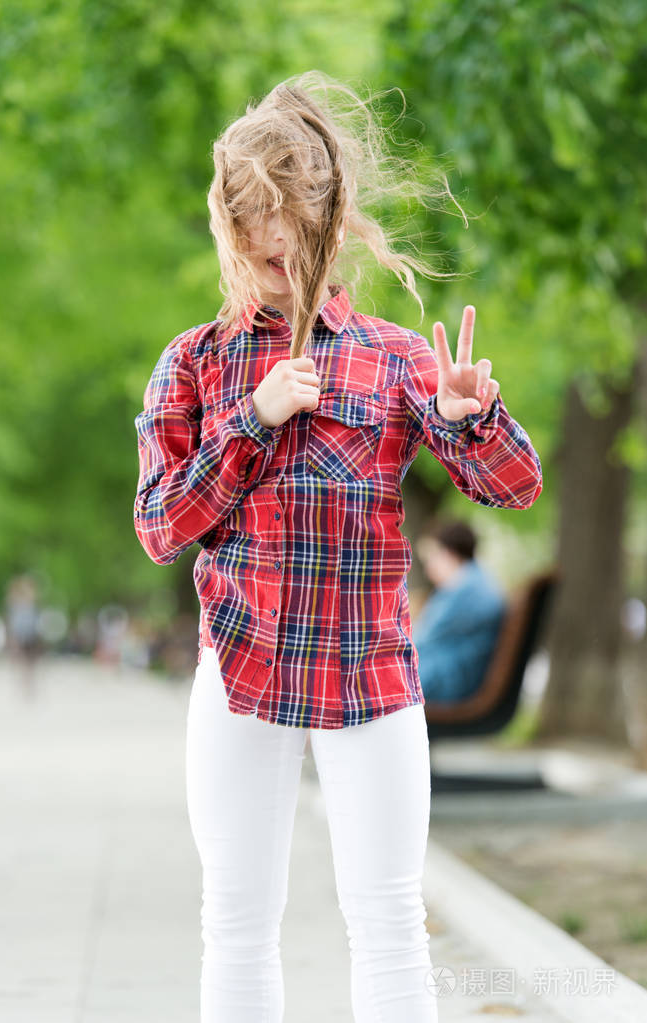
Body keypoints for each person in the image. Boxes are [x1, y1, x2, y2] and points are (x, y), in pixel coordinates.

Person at [133, 70, 543, 1023]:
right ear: (230, 234)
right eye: (258, 247)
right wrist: (250, 419)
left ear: (333, 223)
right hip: (241, 667)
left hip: (370, 674)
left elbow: (514, 487)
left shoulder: (399, 358)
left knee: (389, 917)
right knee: (237, 920)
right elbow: (160, 527)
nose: (279, 263)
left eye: (297, 243)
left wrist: (470, 416)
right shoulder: (194, 361)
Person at [412, 520, 507, 703]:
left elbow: (420, 638)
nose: (428, 569)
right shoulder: (476, 581)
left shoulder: (463, 588)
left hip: (452, 683)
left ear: (448, 553)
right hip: (459, 675)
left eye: (431, 557)